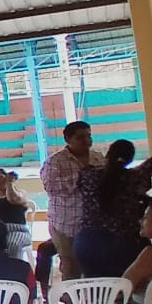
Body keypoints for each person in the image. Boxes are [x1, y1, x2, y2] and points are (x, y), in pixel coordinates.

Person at [76, 132, 152, 278]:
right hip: (125, 244)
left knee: (96, 288)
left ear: (108, 155)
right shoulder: (136, 176)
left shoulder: (87, 176)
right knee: (125, 287)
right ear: (130, 159)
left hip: (88, 243)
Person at [40, 120, 106, 281]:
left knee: (95, 265)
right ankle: (70, 296)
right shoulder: (55, 161)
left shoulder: (98, 158)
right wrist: (83, 176)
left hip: (93, 223)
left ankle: (94, 295)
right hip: (65, 224)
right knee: (71, 269)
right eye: (80, 137)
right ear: (68, 140)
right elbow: (51, 188)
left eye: (89, 136)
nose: (86, 141)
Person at [0, 169, 33, 260]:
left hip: (18, 230)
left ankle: (13, 268)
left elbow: (13, 199)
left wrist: (9, 184)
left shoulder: (20, 193)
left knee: (12, 244)